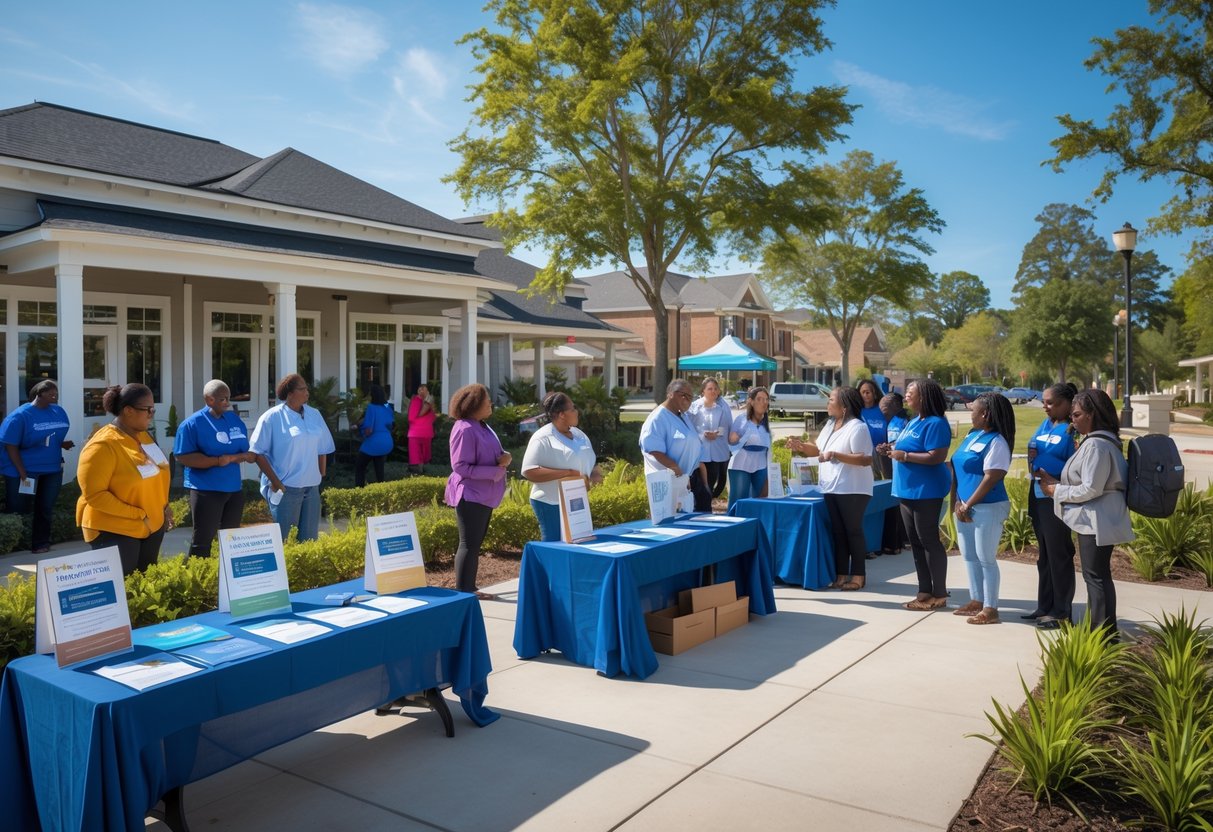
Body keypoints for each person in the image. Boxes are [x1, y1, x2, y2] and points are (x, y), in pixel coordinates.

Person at [1037, 389, 1132, 635]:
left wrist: (1055, 491)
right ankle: (1104, 631)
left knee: (1095, 577)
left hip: (1096, 520)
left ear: (1093, 414)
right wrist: (1057, 484)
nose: (1073, 420)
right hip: (1098, 518)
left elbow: (1091, 488)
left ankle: (1100, 634)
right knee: (1098, 576)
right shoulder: (1103, 441)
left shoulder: (1097, 445)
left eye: (1077, 414)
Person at [75, 383, 171, 575]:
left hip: (151, 525)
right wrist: (138, 514)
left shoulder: (144, 436)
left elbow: (159, 473)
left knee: (145, 587)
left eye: (153, 409)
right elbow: (95, 495)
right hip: (114, 530)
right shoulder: (102, 446)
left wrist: (164, 506)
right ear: (128, 410)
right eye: (147, 409)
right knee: (123, 589)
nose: (151, 414)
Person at [884, 378, 952, 611]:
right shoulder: (914, 422)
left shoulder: (936, 423)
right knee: (914, 542)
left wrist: (905, 456)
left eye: (911, 392)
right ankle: (924, 592)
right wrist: (891, 450)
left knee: (929, 540)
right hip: (906, 490)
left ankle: (939, 593)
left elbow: (936, 456)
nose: (906, 397)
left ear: (924, 396)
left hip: (926, 492)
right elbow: (906, 448)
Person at [950, 392, 1015, 625]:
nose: (971, 414)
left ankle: (991, 608)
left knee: (986, 558)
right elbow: (959, 468)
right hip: (965, 507)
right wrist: (959, 502)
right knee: (969, 556)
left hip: (988, 507)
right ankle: (976, 600)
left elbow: (991, 478)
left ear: (985, 414)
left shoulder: (997, 442)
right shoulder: (972, 436)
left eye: (973, 410)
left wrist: (969, 504)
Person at [173, 379, 256, 558]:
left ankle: (226, 581)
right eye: (222, 399)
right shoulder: (192, 424)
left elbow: (245, 449)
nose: (227, 403)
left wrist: (240, 457)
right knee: (203, 541)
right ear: (209, 399)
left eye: (228, 399)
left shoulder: (233, 419)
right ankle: (197, 581)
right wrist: (217, 461)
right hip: (206, 490)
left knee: (231, 540)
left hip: (233, 489)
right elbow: (183, 456)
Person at [250, 373, 336, 543]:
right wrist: (276, 483)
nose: (307, 392)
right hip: (286, 489)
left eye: (306, 388)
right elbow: (256, 453)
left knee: (309, 542)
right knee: (285, 542)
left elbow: (323, 447)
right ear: (290, 393)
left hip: (311, 489)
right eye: (302, 389)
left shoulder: (314, 415)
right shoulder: (272, 417)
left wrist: (321, 474)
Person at [446, 383, 510, 599]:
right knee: (469, 543)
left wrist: (504, 457)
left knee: (474, 544)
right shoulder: (464, 428)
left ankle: (469, 588)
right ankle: (465, 591)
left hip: (484, 495)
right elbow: (460, 466)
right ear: (474, 405)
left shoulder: (481, 425)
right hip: (470, 494)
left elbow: (491, 452)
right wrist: (494, 471)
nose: (490, 403)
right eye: (486, 401)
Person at [1023, 382, 1079, 626]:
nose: (1045, 406)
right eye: (1044, 401)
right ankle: (1043, 605)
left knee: (1059, 555)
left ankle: (1061, 611)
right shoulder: (1045, 425)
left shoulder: (1072, 430)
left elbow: (1077, 468)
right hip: (1037, 494)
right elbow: (1033, 451)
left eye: (1051, 403)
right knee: (1044, 555)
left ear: (1067, 403)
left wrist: (1056, 479)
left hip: (1057, 497)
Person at [1, 380, 74, 554]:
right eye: (51, 394)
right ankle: (16, 547)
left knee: (45, 507)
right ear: (39, 394)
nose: (55, 396)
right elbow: (10, 445)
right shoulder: (20, 416)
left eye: (56, 393)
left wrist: (62, 444)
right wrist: (22, 473)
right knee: (20, 509)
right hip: (25, 470)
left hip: (52, 469)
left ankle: (41, 543)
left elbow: (50, 435)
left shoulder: (58, 411)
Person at [521, 391, 604, 542]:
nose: (576, 411)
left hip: (576, 501)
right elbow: (529, 471)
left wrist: (593, 472)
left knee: (576, 544)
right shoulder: (542, 437)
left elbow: (586, 459)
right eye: (572, 409)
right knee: (554, 548)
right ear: (561, 415)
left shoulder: (579, 434)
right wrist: (568, 473)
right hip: (549, 503)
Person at [814, 386, 874, 590]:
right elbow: (818, 450)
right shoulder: (830, 425)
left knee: (852, 531)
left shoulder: (858, 427)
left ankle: (858, 576)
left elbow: (865, 459)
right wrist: (799, 446)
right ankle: (841, 575)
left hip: (853, 488)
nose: (828, 403)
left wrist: (836, 455)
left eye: (831, 399)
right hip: (831, 487)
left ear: (844, 406)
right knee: (838, 532)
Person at [640, 379, 710, 512]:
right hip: (672, 483)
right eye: (683, 395)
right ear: (670, 394)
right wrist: (679, 473)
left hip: (692, 479)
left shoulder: (682, 415)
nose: (687, 400)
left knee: (704, 523)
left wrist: (702, 476)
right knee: (681, 527)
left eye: (690, 397)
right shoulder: (657, 419)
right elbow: (654, 451)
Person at [726, 386, 772, 509]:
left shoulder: (766, 422)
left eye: (766, 399)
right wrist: (734, 438)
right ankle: (733, 525)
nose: (764, 402)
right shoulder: (741, 419)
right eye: (759, 399)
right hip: (741, 464)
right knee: (739, 500)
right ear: (751, 401)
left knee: (757, 501)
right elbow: (731, 441)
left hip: (761, 465)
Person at [875, 392, 909, 555]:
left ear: (895, 406)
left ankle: (898, 542)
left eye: (884, 407)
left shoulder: (900, 422)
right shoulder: (892, 422)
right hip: (894, 469)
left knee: (898, 505)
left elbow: (901, 444)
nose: (882, 410)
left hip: (901, 471)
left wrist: (888, 447)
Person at [688, 378, 731, 502]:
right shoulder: (694, 407)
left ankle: (706, 508)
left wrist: (717, 433)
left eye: (715, 389)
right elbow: (689, 427)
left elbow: (726, 427)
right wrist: (702, 434)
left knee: (711, 484)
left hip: (715, 454)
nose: (713, 391)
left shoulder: (721, 408)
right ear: (703, 391)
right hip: (699, 454)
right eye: (709, 389)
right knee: (697, 485)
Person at [354, 385, 394, 486]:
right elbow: (390, 424)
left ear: (372, 395)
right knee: (379, 465)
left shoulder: (371, 407)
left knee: (360, 466)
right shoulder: (387, 406)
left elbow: (369, 430)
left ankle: (359, 489)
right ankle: (381, 488)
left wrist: (361, 431)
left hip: (375, 442)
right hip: (387, 442)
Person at [406, 385, 437, 471]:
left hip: (423, 433)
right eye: (420, 389)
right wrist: (427, 405)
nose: (421, 391)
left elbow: (433, 416)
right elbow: (414, 416)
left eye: (423, 389)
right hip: (417, 433)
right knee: (417, 459)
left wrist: (429, 404)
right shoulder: (416, 400)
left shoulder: (428, 402)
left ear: (428, 392)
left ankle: (421, 474)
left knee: (422, 458)